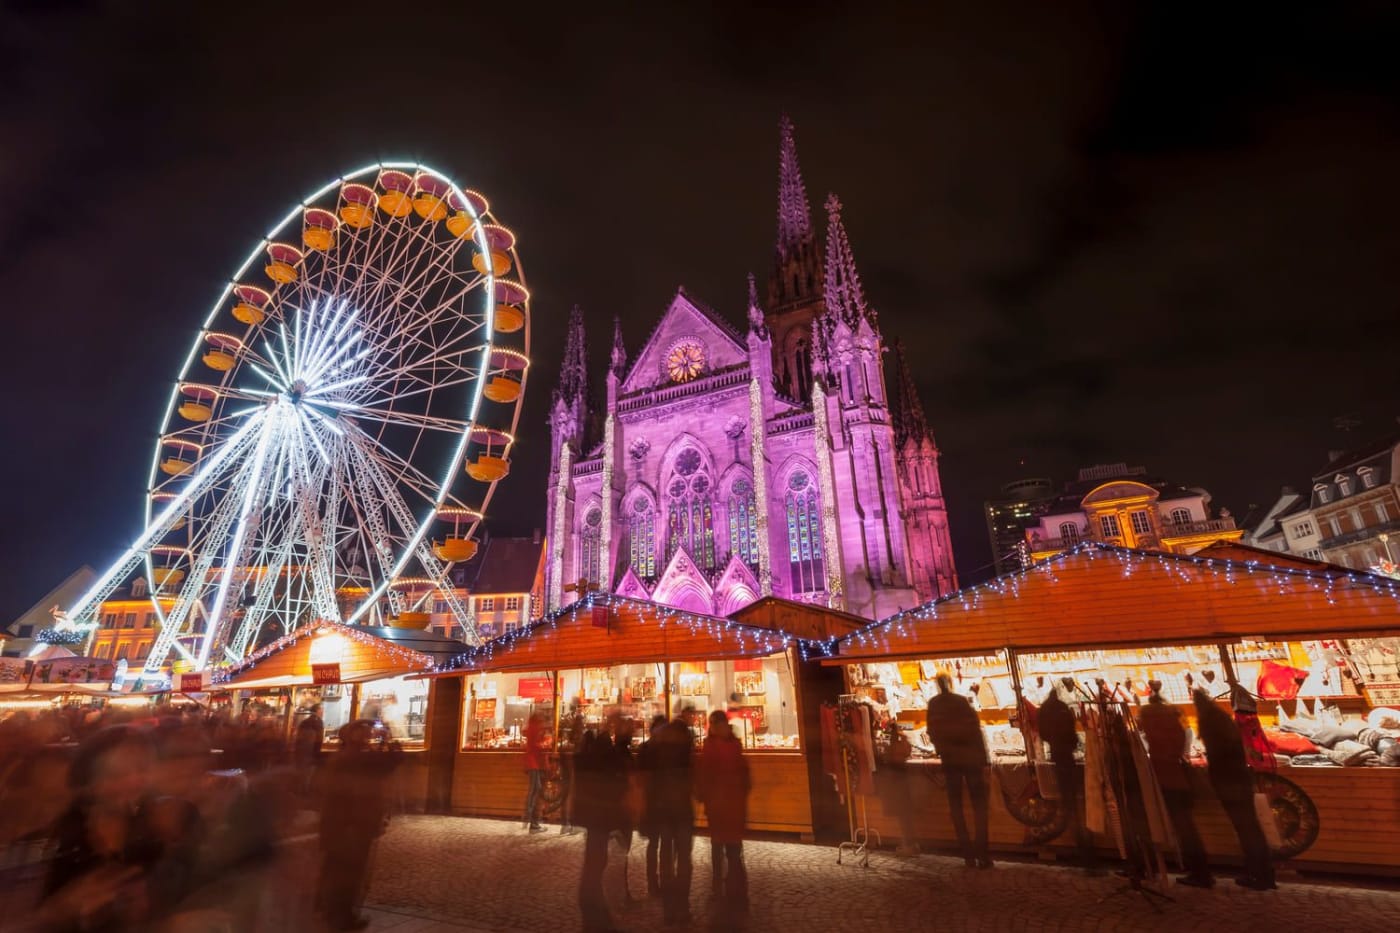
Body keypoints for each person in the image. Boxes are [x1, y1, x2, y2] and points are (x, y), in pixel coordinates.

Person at [316, 720, 403, 930]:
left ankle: (327, 910)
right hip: (350, 828)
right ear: (352, 737)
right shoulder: (353, 759)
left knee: (339, 871)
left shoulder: (346, 757)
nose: (367, 737)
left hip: (346, 826)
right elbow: (387, 764)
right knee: (347, 875)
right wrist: (391, 745)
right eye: (363, 734)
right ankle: (339, 917)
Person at [1193, 688, 1275, 890]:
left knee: (1245, 829)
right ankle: (1264, 874)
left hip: (1228, 783)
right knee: (1251, 828)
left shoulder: (1209, 724)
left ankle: (1257, 874)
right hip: (1240, 779)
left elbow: (1216, 755)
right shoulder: (1224, 720)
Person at [1138, 681, 1212, 887]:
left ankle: (1198, 872)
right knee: (1185, 826)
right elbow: (1182, 745)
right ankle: (1198, 869)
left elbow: (1145, 739)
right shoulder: (1176, 722)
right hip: (1178, 777)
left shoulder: (1152, 723)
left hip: (1165, 779)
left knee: (1181, 826)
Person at [925, 673, 992, 868]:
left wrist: (941, 750)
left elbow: (932, 731)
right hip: (971, 760)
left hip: (951, 761)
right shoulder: (962, 702)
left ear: (937, 685)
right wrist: (984, 759)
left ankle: (968, 855)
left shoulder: (934, 704)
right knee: (979, 808)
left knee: (956, 809)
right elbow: (975, 729)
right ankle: (983, 854)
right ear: (950, 683)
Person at [575, 718, 632, 933]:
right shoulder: (605, 762)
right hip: (600, 818)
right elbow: (615, 787)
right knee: (596, 864)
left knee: (595, 862)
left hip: (594, 818)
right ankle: (595, 911)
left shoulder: (587, 759)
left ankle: (595, 910)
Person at [697, 710, 749, 919]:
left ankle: (728, 887)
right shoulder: (731, 746)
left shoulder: (714, 748)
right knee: (726, 849)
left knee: (727, 849)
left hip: (726, 807)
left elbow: (706, 777)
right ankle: (729, 888)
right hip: (725, 807)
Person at [1038, 685, 1097, 870]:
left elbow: (1044, 733)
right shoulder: (1063, 707)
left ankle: (1080, 848)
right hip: (1068, 757)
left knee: (1069, 804)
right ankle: (1088, 848)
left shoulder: (1045, 710)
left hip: (1058, 755)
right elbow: (1071, 732)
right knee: (1078, 805)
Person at [654, 717, 695, 926]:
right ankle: (682, 906)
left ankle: (669, 909)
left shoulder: (660, 752)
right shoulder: (687, 752)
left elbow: (654, 781)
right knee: (683, 861)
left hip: (666, 813)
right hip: (681, 813)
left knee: (667, 860)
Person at [636, 713, 670, 896]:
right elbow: (640, 779)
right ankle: (652, 882)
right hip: (652, 802)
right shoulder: (647, 749)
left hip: (664, 802)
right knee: (655, 844)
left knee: (663, 844)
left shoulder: (665, 750)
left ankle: (663, 881)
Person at [522, 712, 548, 833]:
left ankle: (531, 818)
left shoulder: (531, 727)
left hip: (532, 762)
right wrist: (546, 743)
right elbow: (537, 745)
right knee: (534, 789)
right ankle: (528, 813)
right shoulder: (536, 728)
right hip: (534, 763)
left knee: (535, 788)